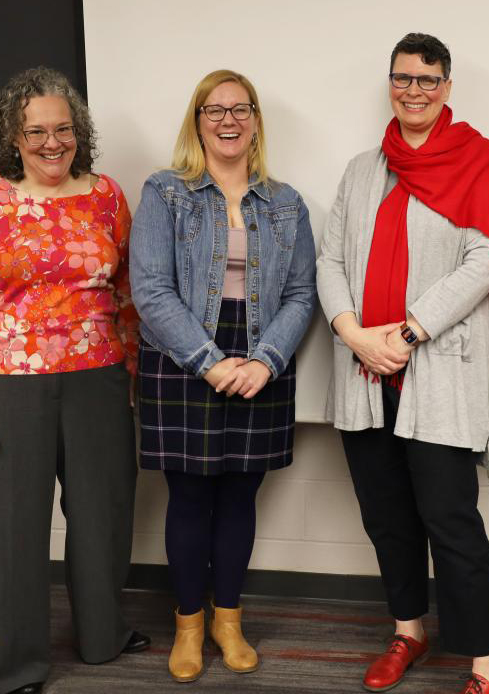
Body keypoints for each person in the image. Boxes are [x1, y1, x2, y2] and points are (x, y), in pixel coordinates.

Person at [317, 32, 489, 694]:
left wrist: (408, 330)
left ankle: (487, 660)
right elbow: (331, 258)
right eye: (403, 79)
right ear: (389, 84)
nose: (414, 91)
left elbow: (487, 259)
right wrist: (353, 333)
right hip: (364, 372)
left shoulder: (478, 161)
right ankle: (407, 632)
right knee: (387, 516)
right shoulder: (362, 169)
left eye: (427, 81)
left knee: (450, 519)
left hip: (435, 370)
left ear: (447, 88)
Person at [0, 66, 148, 694]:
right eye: (35, 132)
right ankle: (18, 665)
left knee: (103, 515)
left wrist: (130, 375)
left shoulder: (106, 194)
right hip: (1, 385)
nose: (51, 143)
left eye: (63, 130)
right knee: (11, 527)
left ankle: (103, 635)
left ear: (78, 132)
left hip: (98, 379)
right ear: (13, 136)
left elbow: (127, 292)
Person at [130, 69, 316, 684]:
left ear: (257, 120)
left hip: (262, 354)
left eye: (240, 109)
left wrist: (265, 360)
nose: (228, 120)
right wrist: (210, 361)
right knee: (189, 498)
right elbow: (151, 291)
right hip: (185, 354)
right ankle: (187, 625)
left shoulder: (287, 203)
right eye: (215, 110)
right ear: (197, 121)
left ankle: (227, 622)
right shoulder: (165, 193)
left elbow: (300, 292)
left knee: (240, 495)